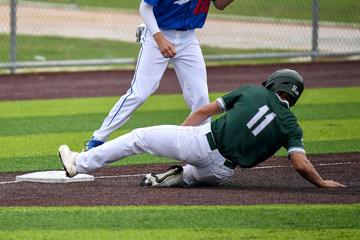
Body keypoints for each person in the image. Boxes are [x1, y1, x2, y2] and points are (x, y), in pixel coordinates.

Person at [59, 69, 346, 188]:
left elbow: (204, 111)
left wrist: (180, 136)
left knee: (139, 138)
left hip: (201, 143)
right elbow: (299, 163)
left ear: (275, 84)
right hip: (223, 172)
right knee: (197, 174)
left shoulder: (252, 92)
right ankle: (181, 176)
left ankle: (79, 163)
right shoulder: (291, 125)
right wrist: (321, 183)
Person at [84, 0, 235, 150]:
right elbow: (145, 7)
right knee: (139, 94)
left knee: (200, 96)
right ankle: (98, 139)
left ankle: (203, 146)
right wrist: (159, 38)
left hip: (188, 39)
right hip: (158, 34)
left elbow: (220, 5)